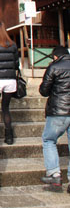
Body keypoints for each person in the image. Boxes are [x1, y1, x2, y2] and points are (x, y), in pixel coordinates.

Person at [39, 46, 70, 191]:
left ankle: (54, 174)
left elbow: (44, 90)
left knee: (49, 140)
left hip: (59, 110)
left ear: (56, 57)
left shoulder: (54, 67)